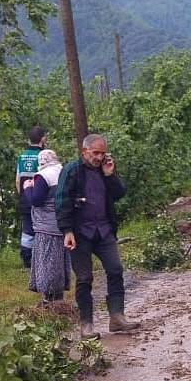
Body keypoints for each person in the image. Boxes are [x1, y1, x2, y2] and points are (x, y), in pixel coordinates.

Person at [55, 133, 140, 339]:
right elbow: (61, 202)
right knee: (84, 278)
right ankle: (86, 325)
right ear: (84, 151)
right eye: (95, 153)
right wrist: (67, 231)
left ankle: (117, 317)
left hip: (103, 231)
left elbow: (119, 194)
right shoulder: (71, 171)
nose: (99, 157)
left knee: (115, 269)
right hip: (79, 233)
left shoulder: (104, 170)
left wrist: (110, 175)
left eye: (102, 153)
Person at [22, 149, 71, 304]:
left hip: (46, 227)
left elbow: (36, 200)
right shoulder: (63, 172)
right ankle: (58, 297)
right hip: (63, 225)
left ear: (41, 161)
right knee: (60, 263)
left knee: (47, 263)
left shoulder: (43, 176)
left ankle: (48, 299)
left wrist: (28, 188)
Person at [16, 126, 47, 268]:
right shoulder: (44, 155)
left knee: (27, 228)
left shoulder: (21, 156)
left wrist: (22, 195)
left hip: (24, 198)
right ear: (43, 138)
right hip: (40, 197)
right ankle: (41, 257)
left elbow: (18, 179)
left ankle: (26, 258)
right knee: (41, 226)